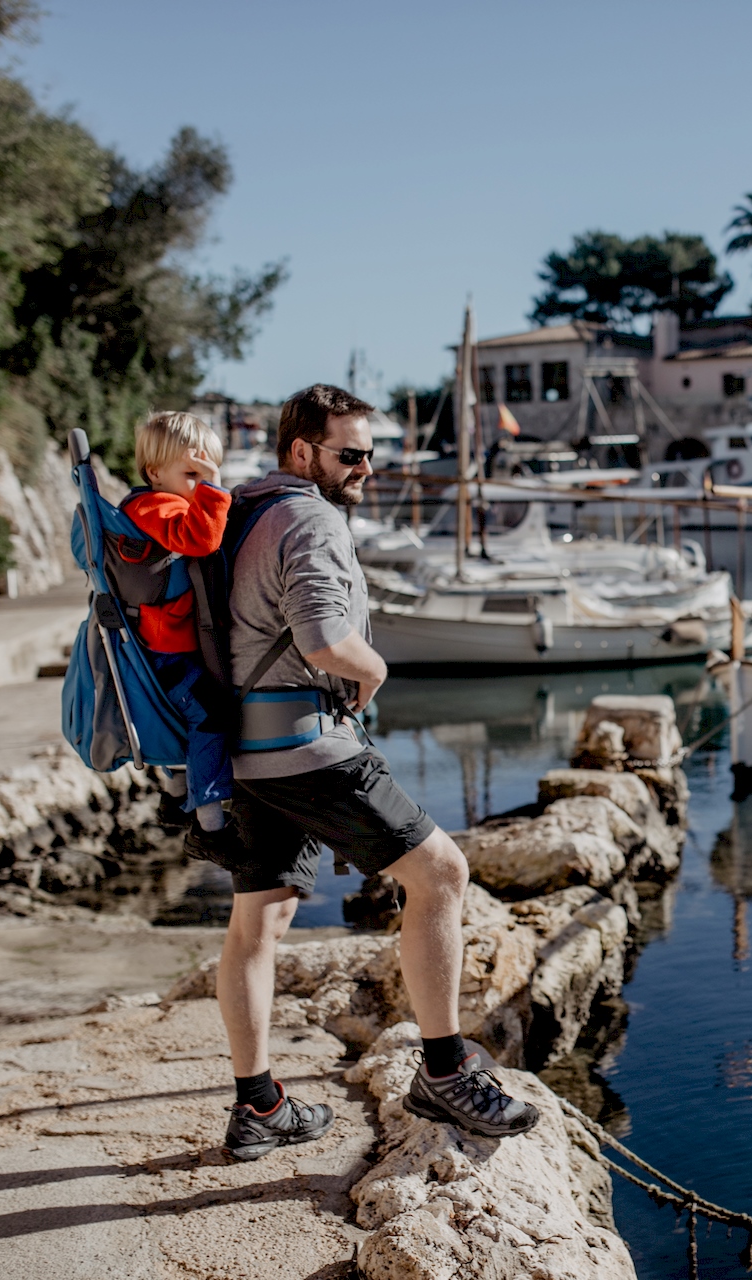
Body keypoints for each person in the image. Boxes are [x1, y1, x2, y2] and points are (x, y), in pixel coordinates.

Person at [206, 383, 536, 1161]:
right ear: (302, 452)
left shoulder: (245, 510)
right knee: (442, 875)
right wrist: (377, 671)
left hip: (243, 754)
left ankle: (258, 1107)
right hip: (306, 748)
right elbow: (324, 641)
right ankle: (446, 1071)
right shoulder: (310, 519)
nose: (365, 469)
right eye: (350, 454)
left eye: (370, 454)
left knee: (258, 921)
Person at [121, 412, 234, 833]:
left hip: (171, 648)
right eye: (192, 473)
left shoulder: (166, 504)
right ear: (154, 473)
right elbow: (202, 540)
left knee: (188, 720)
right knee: (210, 717)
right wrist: (216, 489)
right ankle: (211, 825)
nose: (200, 483)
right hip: (166, 654)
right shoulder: (153, 506)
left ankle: (174, 798)